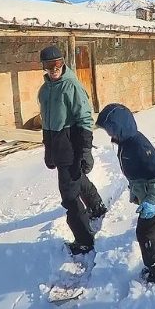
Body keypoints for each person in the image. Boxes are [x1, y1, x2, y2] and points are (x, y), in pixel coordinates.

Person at [95, 103, 155, 282]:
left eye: (110, 129)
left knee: (146, 234)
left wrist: (151, 200)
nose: (108, 134)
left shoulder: (138, 146)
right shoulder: (127, 141)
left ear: (120, 127)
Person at [38, 45, 107, 256]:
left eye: (57, 63)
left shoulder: (72, 86)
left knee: (69, 197)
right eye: (49, 65)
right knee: (77, 179)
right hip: (57, 147)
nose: (54, 69)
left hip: (71, 146)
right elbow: (46, 123)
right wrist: (48, 151)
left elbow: (85, 119)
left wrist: (86, 150)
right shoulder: (45, 90)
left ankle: (84, 239)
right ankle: (96, 207)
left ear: (63, 62)